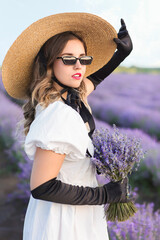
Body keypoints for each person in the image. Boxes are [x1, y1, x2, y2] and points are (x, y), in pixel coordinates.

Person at [2, 12, 133, 240]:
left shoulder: (70, 98)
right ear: (50, 64)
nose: (79, 66)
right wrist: (104, 194)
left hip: (75, 211)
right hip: (64, 221)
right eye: (69, 59)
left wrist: (119, 55)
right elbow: (42, 187)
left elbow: (93, 81)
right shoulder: (59, 114)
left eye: (84, 58)